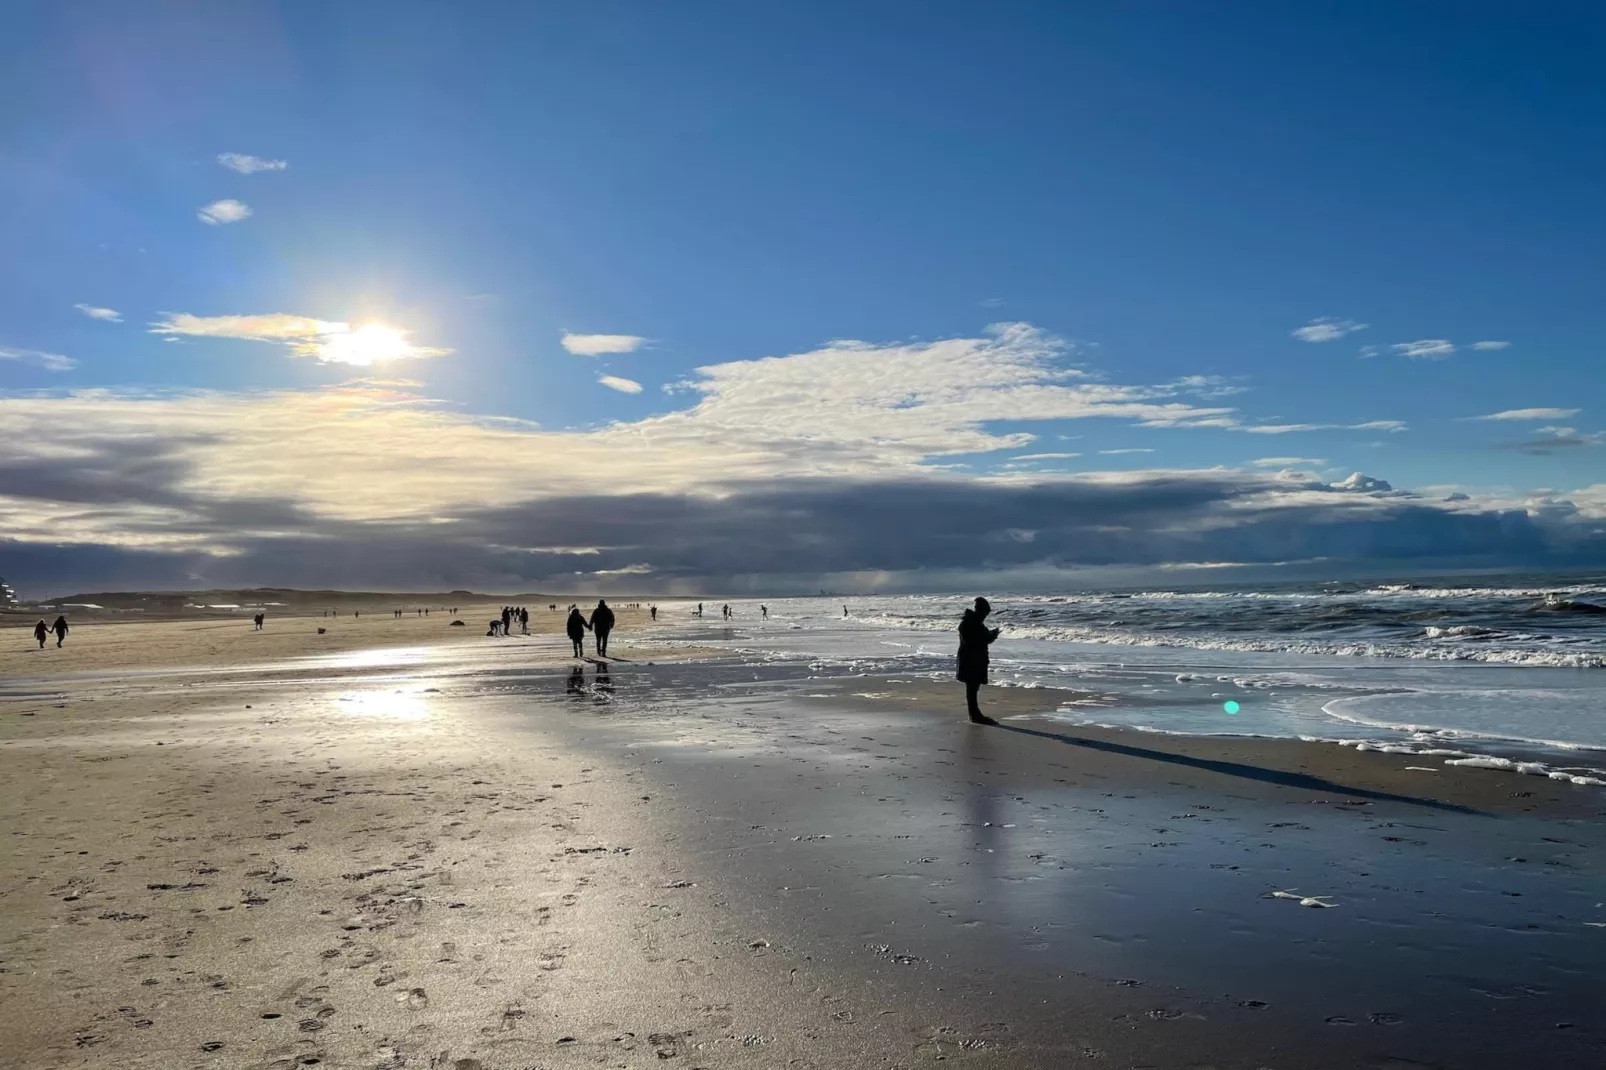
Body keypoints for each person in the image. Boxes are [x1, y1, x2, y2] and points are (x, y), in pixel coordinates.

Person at [956, 597, 1001, 725]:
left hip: (971, 658)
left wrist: (991, 635)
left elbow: (980, 638)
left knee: (973, 687)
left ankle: (974, 714)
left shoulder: (972, 622)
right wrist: (992, 635)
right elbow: (975, 640)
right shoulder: (972, 623)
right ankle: (974, 715)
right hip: (971, 659)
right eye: (985, 613)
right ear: (981, 611)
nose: (985, 616)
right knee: (972, 687)